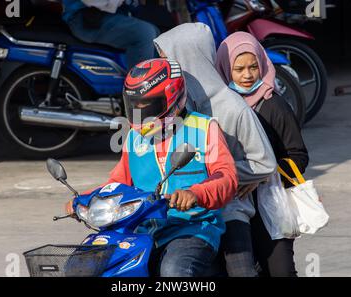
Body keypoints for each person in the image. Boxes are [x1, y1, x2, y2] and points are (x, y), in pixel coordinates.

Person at [65, 58, 238, 276]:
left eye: (148, 105)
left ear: (173, 98)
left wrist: (195, 193)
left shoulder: (204, 128)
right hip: (141, 230)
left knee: (173, 271)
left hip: (192, 228)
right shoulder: (133, 138)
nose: (140, 111)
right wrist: (85, 201)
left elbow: (227, 177)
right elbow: (117, 184)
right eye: (135, 105)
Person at [153, 23, 277, 277]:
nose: (162, 65)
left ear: (187, 57)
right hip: (188, 211)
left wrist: (226, 177)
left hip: (231, 208)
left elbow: (264, 162)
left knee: (239, 271)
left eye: (166, 58)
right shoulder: (179, 107)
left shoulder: (232, 107)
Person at [215, 31, 310, 277]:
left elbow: (298, 155)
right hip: (233, 201)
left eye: (253, 67)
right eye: (239, 69)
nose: (247, 75)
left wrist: (263, 175)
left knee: (280, 270)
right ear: (226, 69)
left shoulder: (274, 105)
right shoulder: (220, 107)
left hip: (270, 204)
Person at [61, 0, 159, 70]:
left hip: (104, 13)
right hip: (85, 18)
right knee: (144, 33)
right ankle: (139, 92)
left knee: (155, 33)